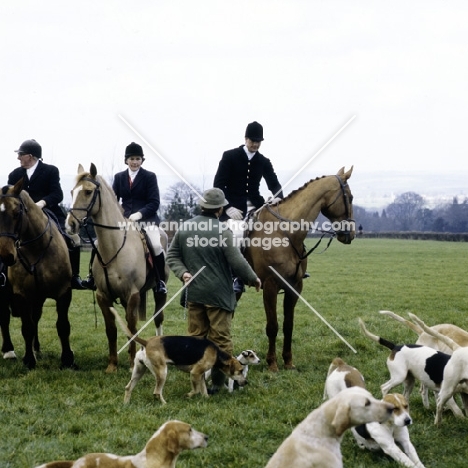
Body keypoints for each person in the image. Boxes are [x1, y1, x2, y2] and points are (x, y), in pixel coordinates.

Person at [166, 187, 261, 394]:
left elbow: (171, 256)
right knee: (221, 340)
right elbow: (236, 260)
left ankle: (197, 383)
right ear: (219, 209)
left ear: (202, 207)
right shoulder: (222, 230)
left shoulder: (185, 228)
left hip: (194, 293)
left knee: (195, 339)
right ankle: (218, 384)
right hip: (218, 295)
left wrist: (183, 273)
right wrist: (253, 279)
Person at [213, 121, 284, 291]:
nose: (255, 144)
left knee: (279, 229)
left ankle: (287, 269)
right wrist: (227, 206)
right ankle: (235, 277)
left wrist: (277, 197)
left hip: (256, 205)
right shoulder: (229, 156)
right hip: (232, 207)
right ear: (245, 139)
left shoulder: (263, 161)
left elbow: (274, 184)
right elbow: (218, 185)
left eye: (258, 141)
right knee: (237, 234)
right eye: (252, 141)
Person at [8, 139, 87, 290]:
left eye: (21, 154)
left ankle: (74, 277)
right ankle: (3, 276)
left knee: (73, 239)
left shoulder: (51, 171)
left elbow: (57, 194)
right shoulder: (15, 174)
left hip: (48, 211)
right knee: (6, 238)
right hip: (22, 216)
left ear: (30, 156)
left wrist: (42, 203)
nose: (18, 158)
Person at [112, 142, 167, 294]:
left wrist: (138, 214)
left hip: (147, 220)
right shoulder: (119, 177)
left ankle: (160, 281)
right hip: (124, 220)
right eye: (132, 159)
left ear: (142, 160)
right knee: (101, 242)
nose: (135, 162)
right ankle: (93, 277)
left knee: (156, 245)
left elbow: (154, 202)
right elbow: (113, 200)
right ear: (126, 160)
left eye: (138, 159)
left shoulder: (149, 176)